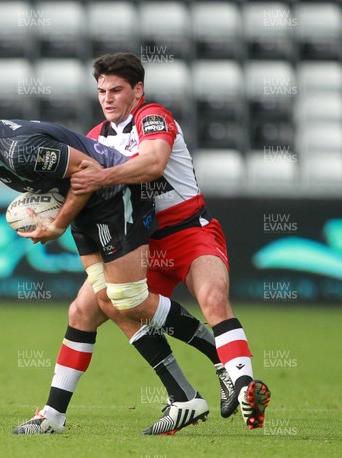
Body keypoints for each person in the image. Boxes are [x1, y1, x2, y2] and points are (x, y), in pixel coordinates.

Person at [0, 108, 219, 434]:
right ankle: (56, 415)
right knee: (85, 310)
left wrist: (57, 225)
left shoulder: (21, 151)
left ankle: (220, 352)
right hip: (82, 203)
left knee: (129, 298)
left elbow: (89, 169)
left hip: (114, 196)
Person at [67, 52, 270, 432]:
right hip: (140, 244)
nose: (107, 98)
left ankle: (243, 387)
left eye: (116, 90)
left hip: (189, 231)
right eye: (101, 91)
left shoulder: (153, 116)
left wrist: (99, 179)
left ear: (137, 90)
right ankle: (181, 396)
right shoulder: (94, 139)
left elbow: (154, 163)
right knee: (89, 308)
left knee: (212, 298)